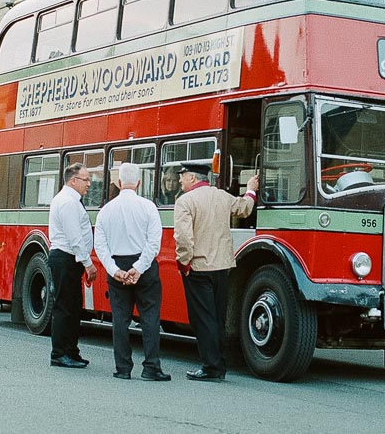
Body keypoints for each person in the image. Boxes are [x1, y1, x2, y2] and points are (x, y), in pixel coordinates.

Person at [173, 162, 260, 381]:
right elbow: (244, 208)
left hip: (198, 268)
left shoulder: (184, 201)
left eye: (182, 176)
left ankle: (211, 366)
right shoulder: (222, 196)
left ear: (192, 178)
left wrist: (184, 263)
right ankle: (219, 363)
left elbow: (183, 239)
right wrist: (250, 189)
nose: (180, 180)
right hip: (222, 267)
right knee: (218, 317)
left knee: (203, 318)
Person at [94, 162, 170, 381]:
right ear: (138, 182)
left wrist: (115, 270)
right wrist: (138, 269)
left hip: (117, 265)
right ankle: (151, 367)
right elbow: (153, 244)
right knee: (150, 318)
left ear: (119, 183)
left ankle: (123, 368)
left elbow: (100, 245)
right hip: (144, 267)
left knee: (120, 319)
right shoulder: (148, 207)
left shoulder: (106, 210)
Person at [48, 163, 98, 368]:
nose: (89, 184)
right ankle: (59, 354)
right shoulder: (68, 202)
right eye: (85, 180)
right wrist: (88, 263)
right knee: (64, 308)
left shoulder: (71, 200)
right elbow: (74, 236)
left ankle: (71, 350)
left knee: (73, 307)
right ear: (73, 180)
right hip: (65, 258)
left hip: (69, 259)